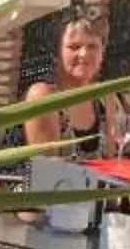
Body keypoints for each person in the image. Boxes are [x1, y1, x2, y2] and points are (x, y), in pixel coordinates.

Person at [22, 9, 114, 151]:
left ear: (102, 53)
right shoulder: (44, 96)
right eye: (74, 47)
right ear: (57, 52)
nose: (83, 54)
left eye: (92, 46)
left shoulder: (104, 97)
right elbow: (47, 167)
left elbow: (112, 157)